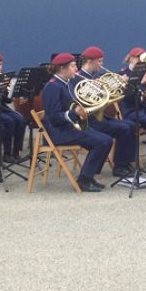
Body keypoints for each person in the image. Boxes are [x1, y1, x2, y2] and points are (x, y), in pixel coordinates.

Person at [42, 53, 112, 192]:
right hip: (58, 132)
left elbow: (72, 106)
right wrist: (75, 113)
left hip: (69, 127)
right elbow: (54, 117)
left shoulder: (65, 83)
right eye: (73, 66)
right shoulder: (53, 87)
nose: (76, 69)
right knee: (102, 142)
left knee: (107, 139)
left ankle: (88, 177)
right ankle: (84, 180)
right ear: (62, 68)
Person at [73, 46, 137, 178]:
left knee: (131, 125)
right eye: (99, 61)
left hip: (99, 117)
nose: (102, 65)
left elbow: (110, 95)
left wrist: (120, 84)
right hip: (89, 120)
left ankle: (126, 163)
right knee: (124, 128)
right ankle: (119, 167)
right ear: (90, 61)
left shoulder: (95, 76)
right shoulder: (78, 79)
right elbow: (78, 103)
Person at [119, 46, 146, 170]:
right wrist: (141, 84)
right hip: (129, 111)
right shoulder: (123, 74)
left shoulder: (145, 72)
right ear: (131, 59)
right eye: (138, 57)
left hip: (144, 109)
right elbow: (128, 98)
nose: (141, 60)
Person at [0, 52, 27, 161]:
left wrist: (9, 91)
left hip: (1, 106)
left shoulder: (3, 76)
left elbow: (7, 100)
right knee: (9, 121)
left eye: (0, 64)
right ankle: (7, 153)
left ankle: (16, 151)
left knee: (20, 119)